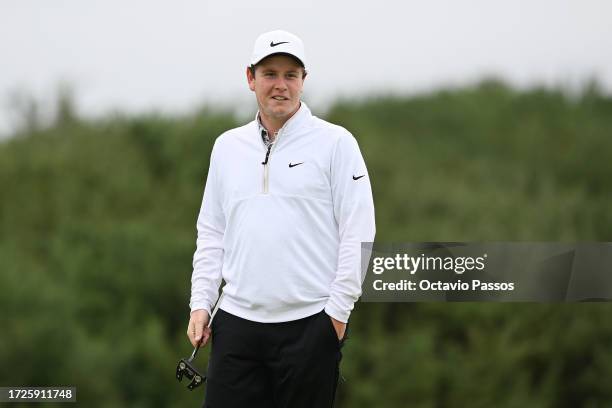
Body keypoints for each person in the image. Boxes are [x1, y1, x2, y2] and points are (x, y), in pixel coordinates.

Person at [186, 29, 376, 408]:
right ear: (250, 78)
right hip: (236, 325)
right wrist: (201, 302)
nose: (280, 85)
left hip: (310, 325)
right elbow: (211, 231)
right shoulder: (226, 147)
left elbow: (359, 231)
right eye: (270, 73)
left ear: (304, 81)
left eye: (291, 75)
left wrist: (336, 316)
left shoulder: (336, 143)